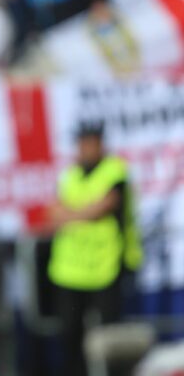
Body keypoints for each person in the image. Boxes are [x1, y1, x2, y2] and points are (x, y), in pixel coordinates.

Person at [45, 120, 143, 376]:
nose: (87, 148)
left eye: (91, 143)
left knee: (110, 337)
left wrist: (71, 214)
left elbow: (105, 205)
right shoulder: (70, 174)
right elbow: (53, 211)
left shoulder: (114, 170)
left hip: (106, 265)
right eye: (83, 143)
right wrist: (82, 213)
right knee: (70, 337)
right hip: (70, 269)